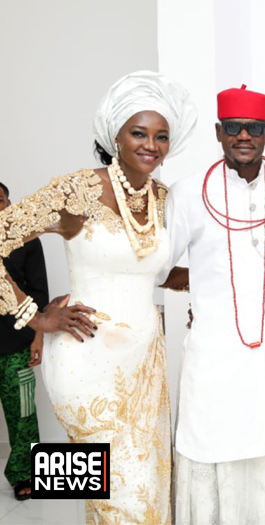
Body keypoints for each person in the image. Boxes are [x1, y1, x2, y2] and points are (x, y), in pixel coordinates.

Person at [0, 70, 197, 523]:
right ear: (116, 135)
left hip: (144, 364)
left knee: (134, 486)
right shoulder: (76, 190)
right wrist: (34, 315)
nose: (151, 145)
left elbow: (150, 269)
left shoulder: (165, 199)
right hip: (85, 362)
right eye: (139, 133)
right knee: (118, 492)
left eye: (161, 136)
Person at [162, 84, 265, 524]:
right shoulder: (188, 194)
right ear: (218, 132)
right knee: (214, 437)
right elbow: (158, 268)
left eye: (252, 128)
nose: (243, 136)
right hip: (215, 353)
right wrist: (205, 284)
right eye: (233, 128)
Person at [0, 182, 48, 501]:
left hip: (16, 342)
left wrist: (39, 337)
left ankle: (25, 475)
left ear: (8, 202)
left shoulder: (27, 240)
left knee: (23, 413)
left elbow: (41, 293)